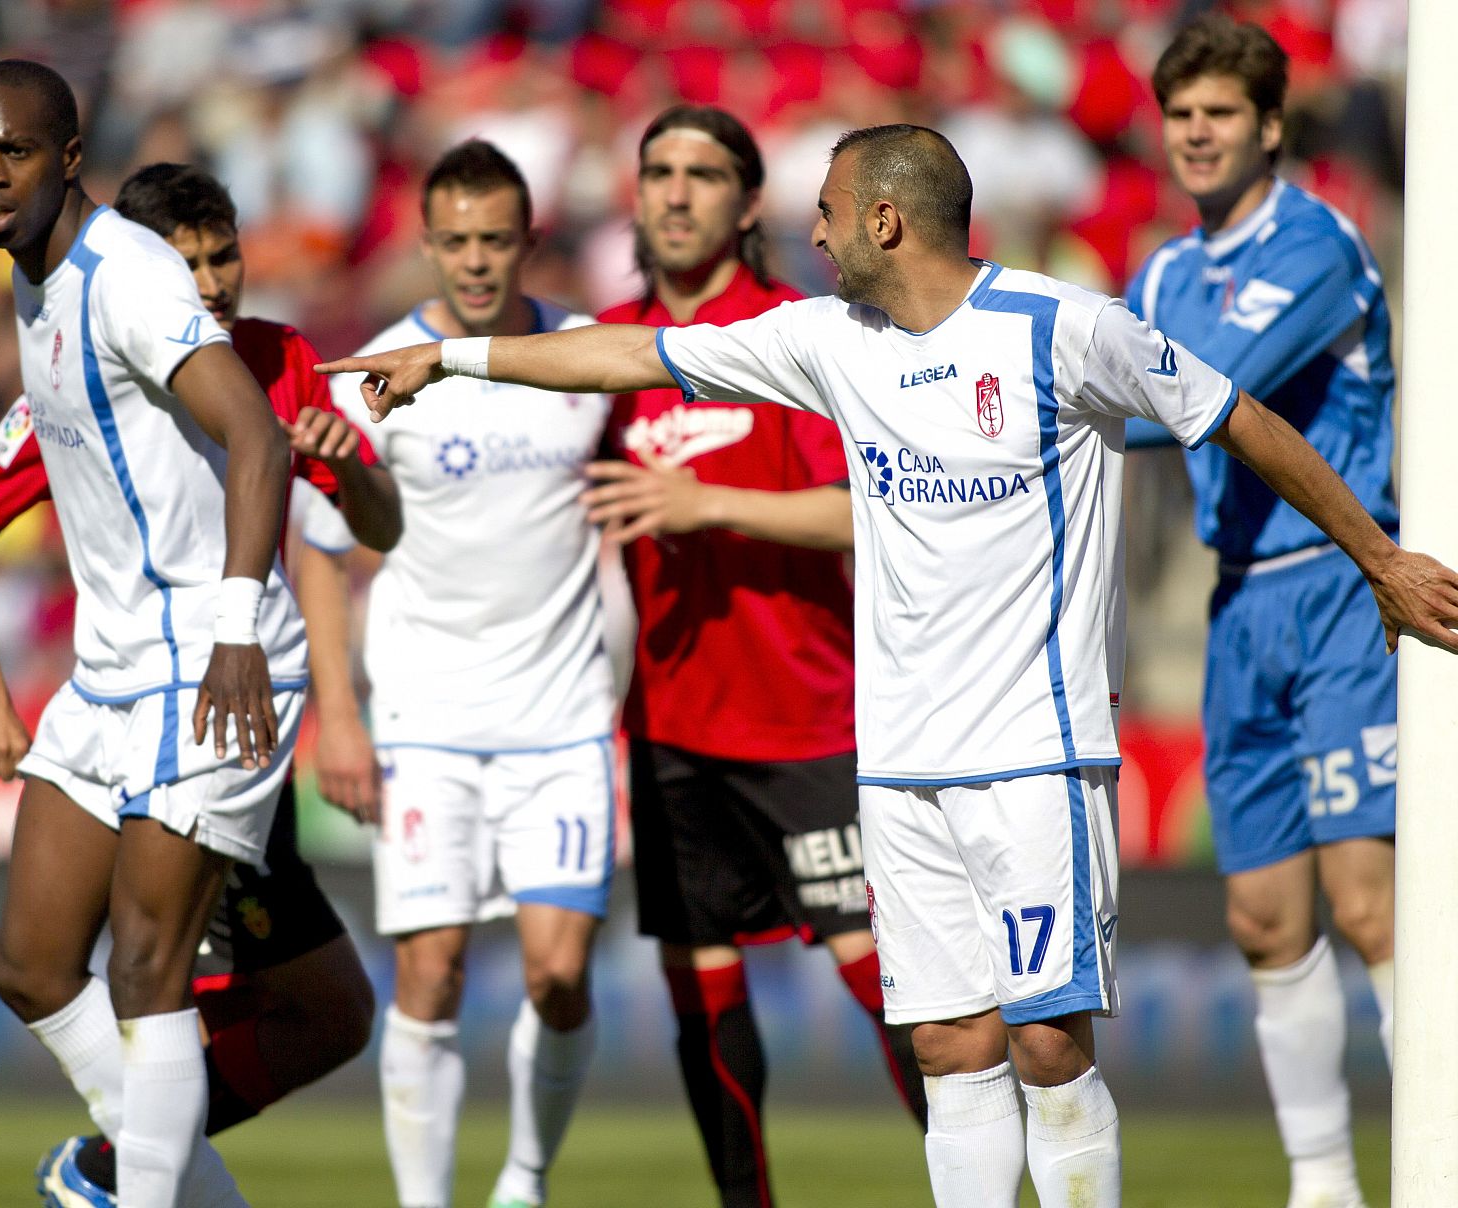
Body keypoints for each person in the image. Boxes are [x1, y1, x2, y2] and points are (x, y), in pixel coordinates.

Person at [319, 124, 1458, 1208]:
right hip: (899, 766)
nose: (809, 238)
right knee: (948, 1044)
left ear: (884, 220)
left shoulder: (1064, 330)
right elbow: (631, 351)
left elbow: (1237, 416)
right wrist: (450, 358)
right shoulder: (828, 340)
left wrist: (1379, 560)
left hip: (1035, 754)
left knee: (1047, 1038)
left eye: (824, 215)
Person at [0, 160, 394, 1206]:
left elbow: (379, 526)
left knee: (299, 1006)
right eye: (188, 265)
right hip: (127, 693)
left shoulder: (279, 361)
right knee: (92, 973)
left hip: (228, 698)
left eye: (225, 256)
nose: (214, 283)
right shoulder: (90, 347)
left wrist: (353, 466)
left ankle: (123, 1171)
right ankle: (133, 1171)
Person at [581, 104, 924, 1208]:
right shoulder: (612, 347)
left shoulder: (795, 334)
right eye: (658, 171)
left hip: (809, 725)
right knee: (706, 1009)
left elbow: (863, 514)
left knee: (901, 1002)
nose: (676, 192)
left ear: (745, 204)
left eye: (703, 173)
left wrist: (702, 499)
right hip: (672, 733)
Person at [1126, 17, 1399, 1208]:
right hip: (1239, 603)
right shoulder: (1160, 273)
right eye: (1180, 114)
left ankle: (1435, 1156)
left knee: (1366, 899)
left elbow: (1182, 395)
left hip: (1339, 588)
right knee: (1260, 912)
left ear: (1270, 126)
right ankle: (1322, 1182)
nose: (1195, 134)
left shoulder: (1315, 244)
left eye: (1219, 113)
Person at [314, 140, 615, 1208]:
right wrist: (336, 714)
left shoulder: (586, 355)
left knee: (559, 973)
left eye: (497, 239)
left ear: (529, 239)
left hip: (563, 712)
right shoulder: (375, 369)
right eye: (457, 241)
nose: (477, 261)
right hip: (428, 717)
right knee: (431, 971)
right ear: (427, 242)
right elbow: (319, 539)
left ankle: (525, 1176)